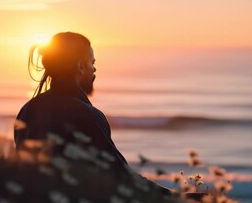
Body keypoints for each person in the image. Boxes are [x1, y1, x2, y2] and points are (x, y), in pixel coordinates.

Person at [14, 32, 170, 194]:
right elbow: (120, 175)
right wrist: (178, 199)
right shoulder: (85, 114)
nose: (94, 69)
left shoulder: (27, 110)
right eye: (92, 63)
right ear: (80, 66)